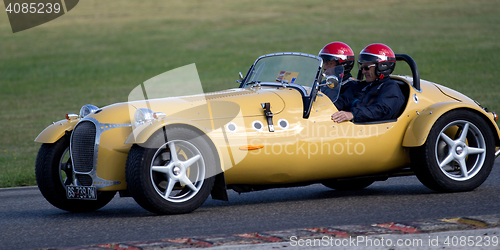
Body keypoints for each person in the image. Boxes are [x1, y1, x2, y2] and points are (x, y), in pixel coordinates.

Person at [331, 43, 405, 123]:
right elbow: (343, 100)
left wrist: (352, 114)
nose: (363, 72)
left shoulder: (390, 88)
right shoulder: (362, 86)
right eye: (362, 68)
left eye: (366, 68)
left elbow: (380, 110)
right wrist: (326, 106)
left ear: (382, 67)